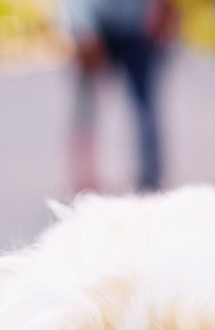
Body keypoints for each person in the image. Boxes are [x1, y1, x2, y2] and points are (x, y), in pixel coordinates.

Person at [62, 0, 177, 192]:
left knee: (146, 107)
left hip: (139, 24)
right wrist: (82, 28)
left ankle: (152, 184)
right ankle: (83, 185)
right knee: (84, 106)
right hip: (94, 21)